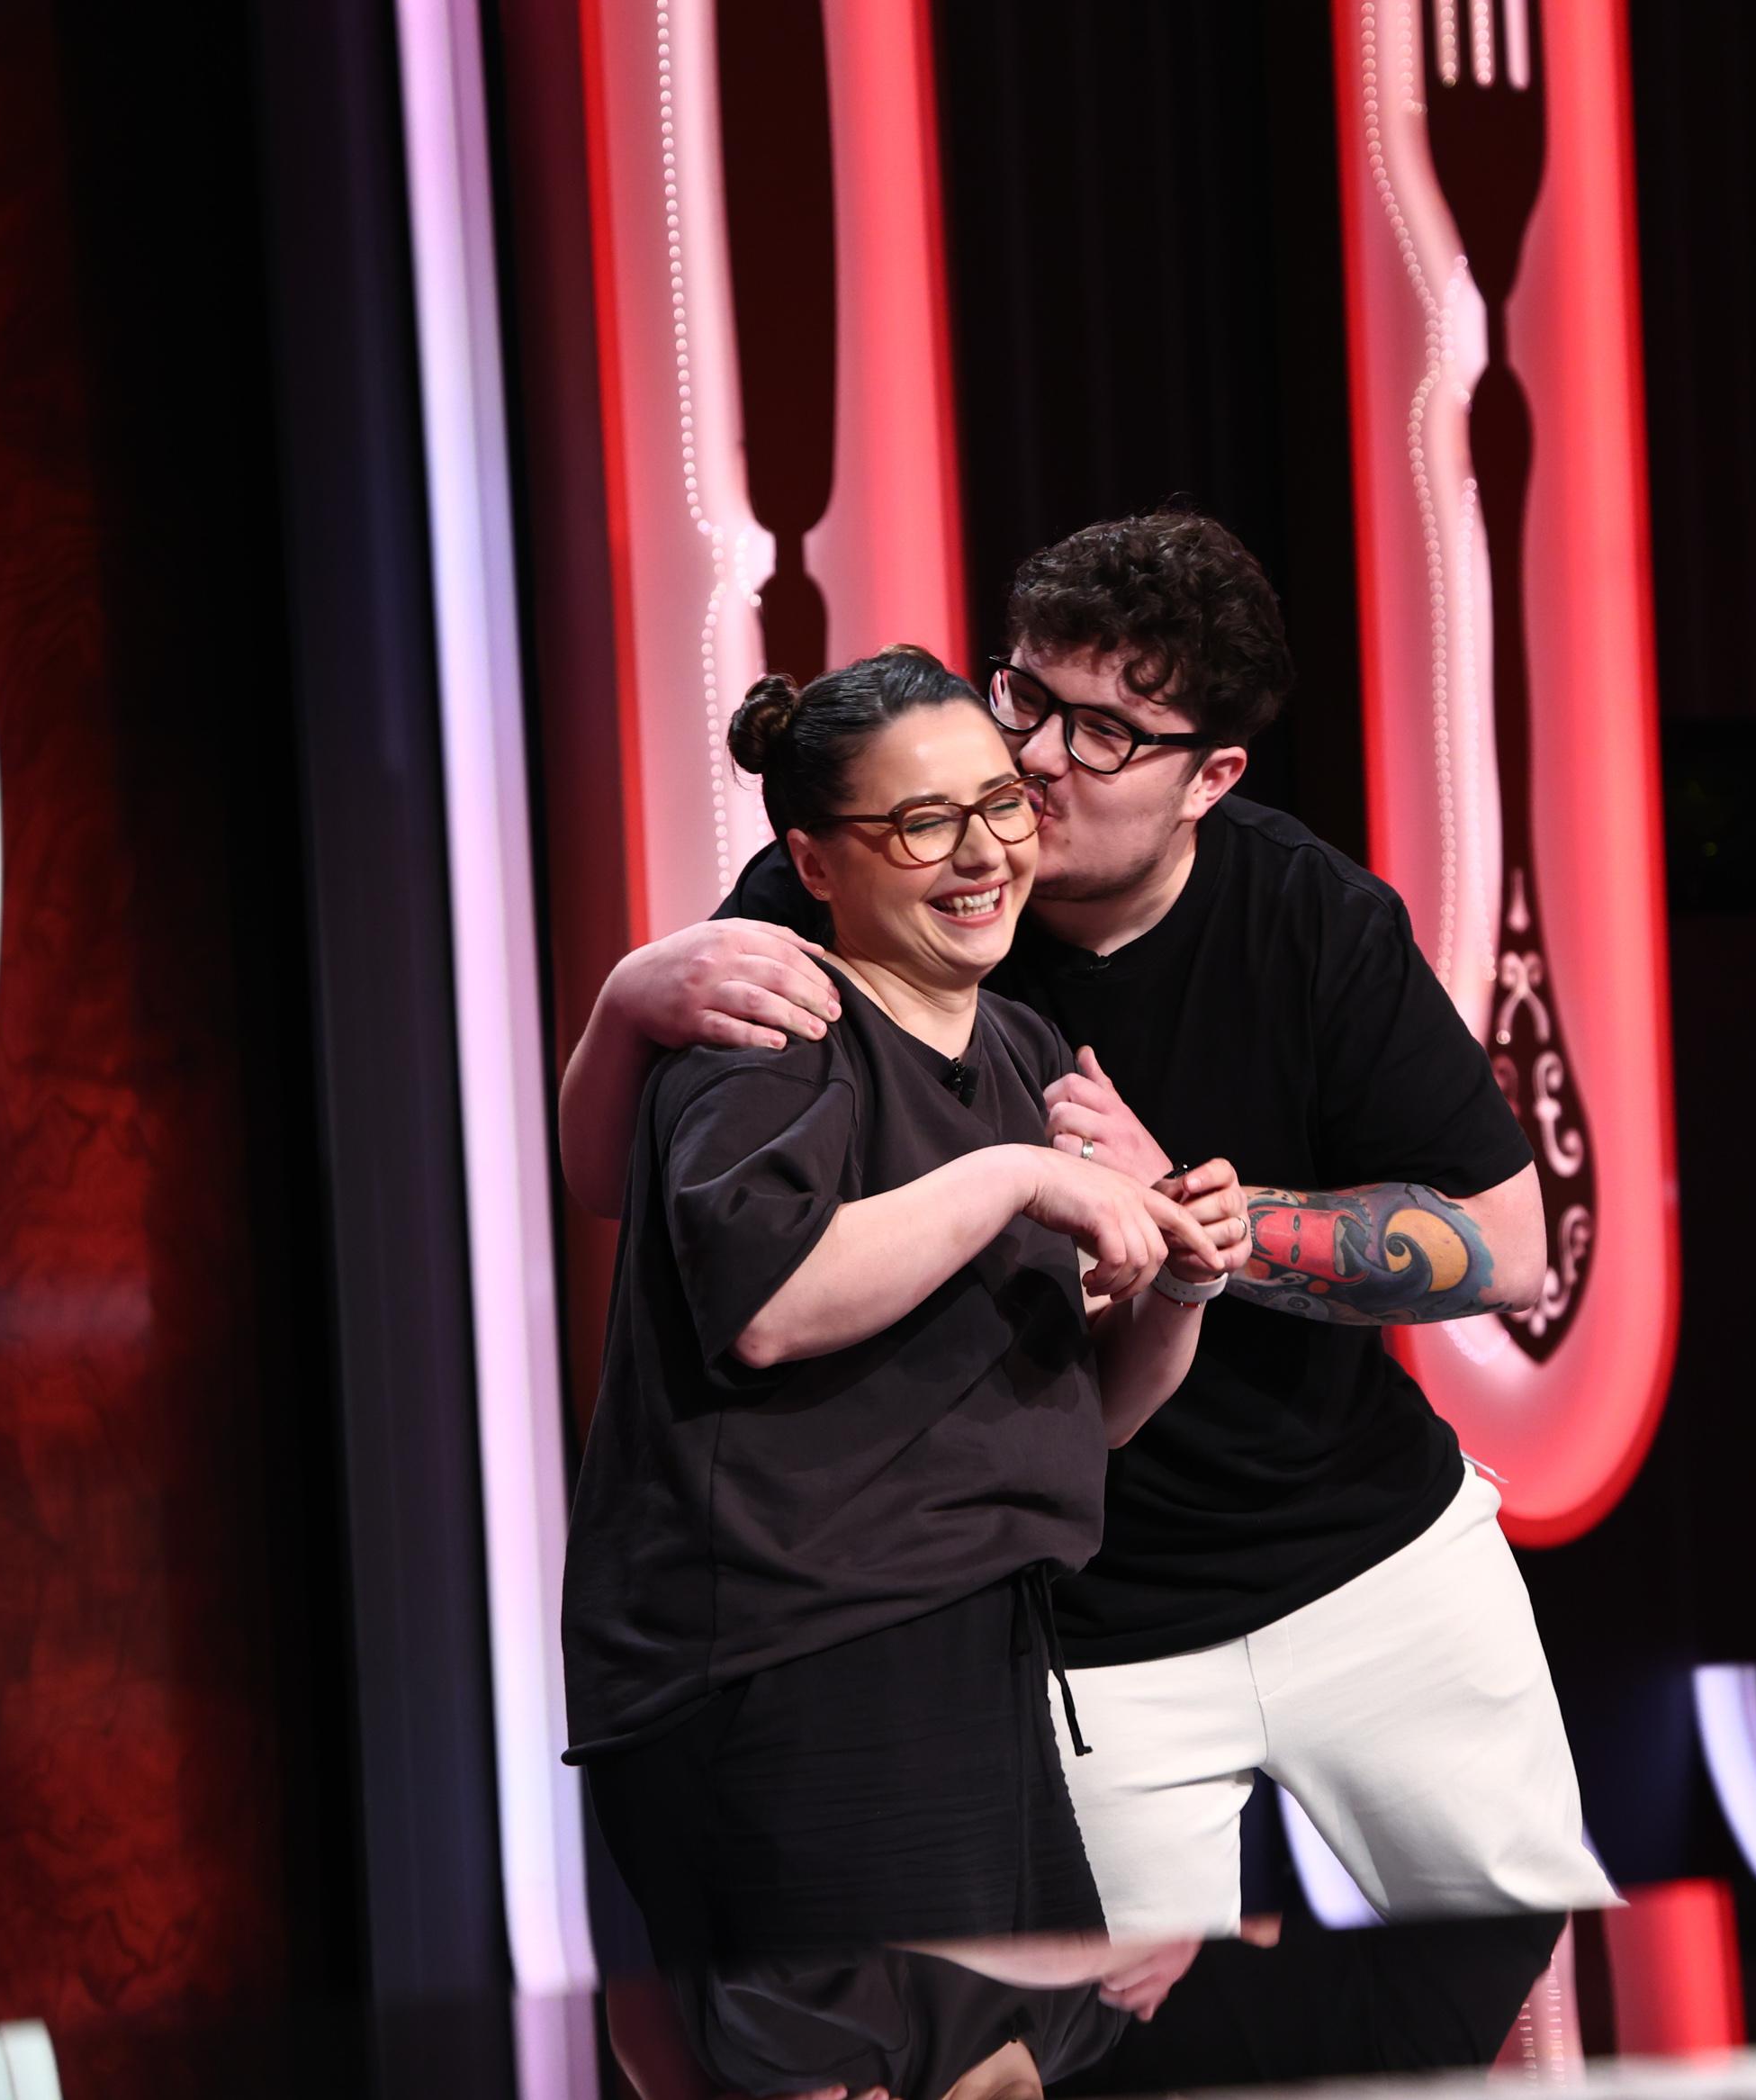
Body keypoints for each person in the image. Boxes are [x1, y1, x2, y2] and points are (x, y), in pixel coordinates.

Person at [558, 513, 1616, 1976]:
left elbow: (1506, 1247)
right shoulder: (851, 898)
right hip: (1083, 1620)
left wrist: (1185, 1218)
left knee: (1538, 1968)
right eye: (1026, 697)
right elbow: (646, 1201)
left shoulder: (1305, 914)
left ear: (1211, 778)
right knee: (1112, 2037)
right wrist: (628, 998)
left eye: (1105, 733)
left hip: (1366, 1559)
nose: (1037, 763)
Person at [563, 644, 1247, 1964]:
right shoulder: (775, 1028)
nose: (983, 852)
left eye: (1001, 805)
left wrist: (1181, 1280)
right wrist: (1015, 1177)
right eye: (924, 822)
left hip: (978, 1640)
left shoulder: (1020, 1048)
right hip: (797, 1661)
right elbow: (769, 1300)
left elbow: (1085, 1412)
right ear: (816, 862)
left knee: (1010, 2045)